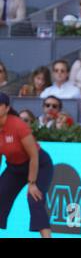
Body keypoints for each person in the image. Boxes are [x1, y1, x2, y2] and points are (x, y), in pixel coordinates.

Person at [0, 93, 54, 238]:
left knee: (34, 198)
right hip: (14, 167)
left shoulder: (18, 125)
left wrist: (32, 183)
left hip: (39, 164)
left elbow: (34, 155)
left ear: (6, 108)